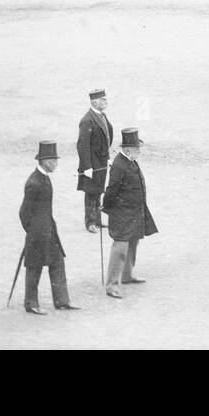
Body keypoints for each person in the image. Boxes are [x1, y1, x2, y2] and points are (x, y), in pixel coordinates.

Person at [18, 140, 79, 314]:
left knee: (57, 262)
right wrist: (33, 230)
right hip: (38, 234)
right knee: (34, 267)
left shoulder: (44, 178)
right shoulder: (34, 182)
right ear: (45, 161)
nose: (56, 164)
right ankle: (30, 303)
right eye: (54, 161)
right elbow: (24, 212)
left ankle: (62, 300)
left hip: (49, 231)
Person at [102, 128, 158, 299]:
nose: (139, 152)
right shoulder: (119, 165)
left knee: (133, 243)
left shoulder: (130, 160)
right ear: (127, 150)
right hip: (122, 214)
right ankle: (111, 285)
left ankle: (126, 275)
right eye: (137, 149)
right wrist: (108, 209)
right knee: (120, 248)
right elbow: (111, 191)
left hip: (134, 212)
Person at [76, 88, 114, 233]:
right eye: (103, 100)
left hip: (101, 162)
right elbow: (82, 145)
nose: (106, 102)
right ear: (95, 101)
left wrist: (108, 157)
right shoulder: (87, 120)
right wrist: (87, 167)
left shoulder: (102, 116)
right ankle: (90, 222)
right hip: (92, 164)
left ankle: (97, 220)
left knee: (98, 191)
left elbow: (106, 138)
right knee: (91, 193)